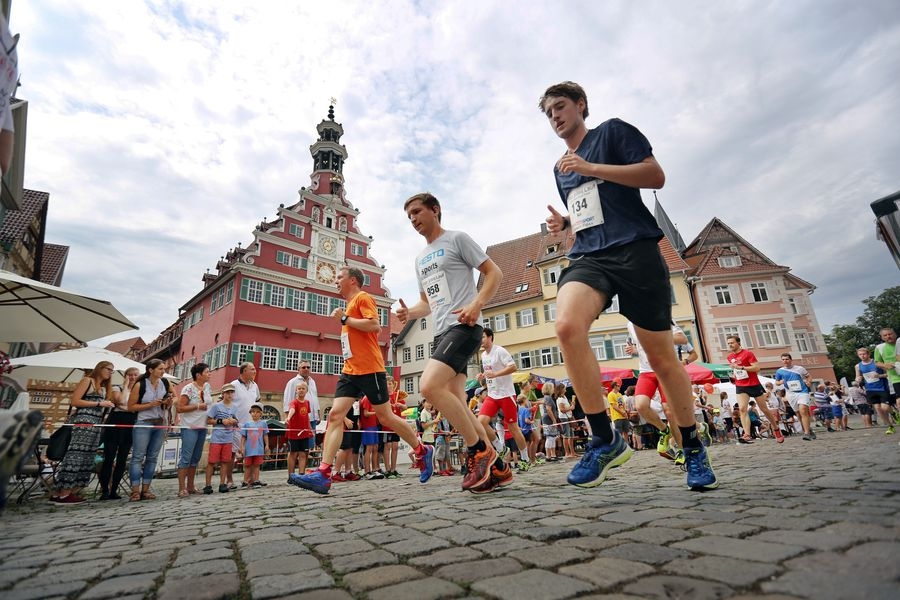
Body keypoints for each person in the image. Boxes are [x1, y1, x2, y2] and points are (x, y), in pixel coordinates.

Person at [539, 81, 716, 490]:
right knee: (566, 326)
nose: (555, 117)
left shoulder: (613, 132)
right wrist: (565, 225)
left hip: (635, 251)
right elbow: (595, 209)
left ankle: (691, 446)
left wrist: (591, 167)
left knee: (662, 358)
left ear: (581, 105)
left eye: (560, 107)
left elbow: (655, 176)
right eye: (548, 113)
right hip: (590, 256)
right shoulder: (560, 167)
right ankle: (604, 437)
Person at [396, 192, 506, 493]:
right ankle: (497, 467)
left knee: (429, 387)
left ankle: (478, 452)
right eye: (409, 217)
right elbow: (426, 304)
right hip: (441, 332)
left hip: (464, 325)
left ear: (435, 210)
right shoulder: (419, 260)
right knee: (457, 401)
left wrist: (477, 304)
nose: (414, 219)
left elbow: (494, 272)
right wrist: (409, 313)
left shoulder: (457, 239)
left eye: (418, 212)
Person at [291, 266, 432, 495]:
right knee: (335, 416)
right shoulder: (348, 305)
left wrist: (345, 318)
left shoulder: (362, 298)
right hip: (350, 371)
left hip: (370, 370)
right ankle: (324, 473)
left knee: (386, 416)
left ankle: (422, 450)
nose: (336, 280)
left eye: (339, 276)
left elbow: (374, 326)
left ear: (353, 280)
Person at [51, 361, 117, 504]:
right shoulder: (88, 380)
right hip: (83, 422)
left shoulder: (104, 388)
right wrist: (99, 403)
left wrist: (106, 405)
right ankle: (63, 492)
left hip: (96, 424)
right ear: (100, 368)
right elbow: (74, 401)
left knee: (87, 458)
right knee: (76, 456)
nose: (110, 372)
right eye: (108, 369)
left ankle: (70, 492)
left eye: (112, 370)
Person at [476, 328, 531, 471]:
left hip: (506, 394)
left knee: (513, 428)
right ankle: (501, 448)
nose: (480, 340)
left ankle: (525, 458)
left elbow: (513, 367)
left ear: (490, 337)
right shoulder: (483, 355)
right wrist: (483, 376)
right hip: (492, 394)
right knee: (480, 422)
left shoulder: (500, 351)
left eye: (482, 337)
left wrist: (495, 374)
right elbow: (489, 371)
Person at [127, 359, 174, 501]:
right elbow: (131, 407)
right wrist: (150, 404)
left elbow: (176, 397)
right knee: (138, 457)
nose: (163, 371)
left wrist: (169, 401)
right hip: (143, 422)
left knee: (152, 457)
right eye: (160, 368)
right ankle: (135, 490)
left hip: (160, 422)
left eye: (164, 368)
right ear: (151, 370)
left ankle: (146, 489)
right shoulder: (140, 385)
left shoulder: (165, 383)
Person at [726, 336, 784, 444]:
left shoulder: (748, 353)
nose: (730, 345)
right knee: (742, 409)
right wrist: (734, 377)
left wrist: (742, 368)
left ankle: (776, 429)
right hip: (741, 385)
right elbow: (736, 371)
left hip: (754, 384)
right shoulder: (729, 357)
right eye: (728, 343)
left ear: (738, 343)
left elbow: (757, 368)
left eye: (732, 343)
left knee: (764, 409)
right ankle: (747, 434)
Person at [98, 366, 140, 500]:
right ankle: (105, 489)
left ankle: (114, 490)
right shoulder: (118, 388)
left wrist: (128, 408)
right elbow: (120, 401)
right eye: (130, 375)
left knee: (122, 459)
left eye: (135, 375)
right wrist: (126, 386)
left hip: (130, 424)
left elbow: (137, 409)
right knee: (109, 458)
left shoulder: (139, 391)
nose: (133, 377)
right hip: (115, 423)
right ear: (125, 376)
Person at [175, 363, 211, 497]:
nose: (209, 374)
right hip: (190, 426)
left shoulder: (207, 387)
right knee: (186, 457)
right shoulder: (188, 389)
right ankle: (181, 488)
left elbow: (208, 405)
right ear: (198, 375)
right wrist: (197, 406)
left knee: (195, 458)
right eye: (207, 372)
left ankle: (191, 486)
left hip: (202, 426)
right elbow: (180, 408)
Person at [230, 362, 260, 488]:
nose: (254, 371)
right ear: (243, 371)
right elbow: (225, 402)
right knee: (232, 454)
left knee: (253, 453)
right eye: (252, 369)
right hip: (237, 426)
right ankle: (229, 480)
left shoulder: (255, 385)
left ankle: (250, 479)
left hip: (251, 426)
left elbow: (257, 402)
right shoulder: (233, 385)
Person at [205, 384, 239, 493]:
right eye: (227, 392)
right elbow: (208, 420)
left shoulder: (234, 407)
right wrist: (221, 421)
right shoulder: (216, 406)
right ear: (223, 394)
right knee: (212, 462)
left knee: (225, 462)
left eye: (231, 392)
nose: (229, 395)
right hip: (217, 438)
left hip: (228, 438)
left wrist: (234, 422)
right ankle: (208, 485)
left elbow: (235, 421)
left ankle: (222, 483)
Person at [774, 353, 815, 440]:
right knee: (798, 414)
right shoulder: (779, 371)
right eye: (783, 359)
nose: (785, 361)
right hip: (790, 394)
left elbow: (809, 376)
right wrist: (780, 382)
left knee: (803, 410)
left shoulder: (799, 368)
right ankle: (809, 429)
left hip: (802, 392)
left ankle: (806, 433)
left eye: (787, 359)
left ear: (791, 360)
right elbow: (776, 382)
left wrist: (809, 382)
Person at [855, 347, 893, 434]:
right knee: (878, 409)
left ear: (868, 354)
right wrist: (858, 379)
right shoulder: (857, 366)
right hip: (870, 389)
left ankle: (893, 413)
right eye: (860, 355)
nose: (862, 356)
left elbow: (888, 374)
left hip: (882, 387)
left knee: (885, 407)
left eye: (864, 354)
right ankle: (889, 426)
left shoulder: (876, 363)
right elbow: (857, 377)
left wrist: (880, 376)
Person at [283, 360, 320, 440]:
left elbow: (315, 398)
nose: (306, 369)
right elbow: (287, 402)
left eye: (308, 367)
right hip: (300, 419)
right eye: (303, 367)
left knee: (311, 444)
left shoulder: (312, 381)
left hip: (313, 419)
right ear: (298, 369)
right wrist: (287, 418)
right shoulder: (292, 382)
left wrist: (318, 414)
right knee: (300, 445)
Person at [284, 380, 313, 477]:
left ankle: (301, 474)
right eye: (299, 389)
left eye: (303, 389)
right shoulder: (294, 402)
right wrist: (288, 417)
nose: (301, 390)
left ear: (306, 391)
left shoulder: (307, 403)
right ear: (296, 390)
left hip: (304, 432)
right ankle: (291, 475)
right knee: (293, 454)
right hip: (294, 433)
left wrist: (310, 429)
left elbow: (307, 417)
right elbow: (292, 410)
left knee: (303, 454)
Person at [240, 404, 270, 487]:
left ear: (261, 413)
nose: (255, 414)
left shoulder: (263, 424)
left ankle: (256, 480)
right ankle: (246, 481)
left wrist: (267, 445)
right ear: (250, 413)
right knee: (247, 465)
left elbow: (265, 435)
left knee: (257, 465)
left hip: (259, 448)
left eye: (257, 412)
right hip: (249, 449)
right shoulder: (247, 424)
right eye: (253, 412)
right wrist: (242, 447)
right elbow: (243, 436)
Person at [382, 377, 407, 478]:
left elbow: (405, 407)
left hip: (396, 425)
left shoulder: (397, 395)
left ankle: (393, 469)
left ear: (393, 384)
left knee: (395, 447)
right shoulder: (383, 396)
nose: (388, 386)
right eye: (386, 384)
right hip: (387, 425)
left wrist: (400, 406)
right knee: (387, 447)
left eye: (390, 384)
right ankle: (387, 469)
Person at [873, 327, 900, 416]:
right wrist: (885, 365)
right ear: (882, 337)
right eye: (885, 335)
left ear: (895, 334)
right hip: (895, 377)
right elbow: (877, 362)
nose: (888, 336)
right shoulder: (880, 348)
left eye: (890, 334)